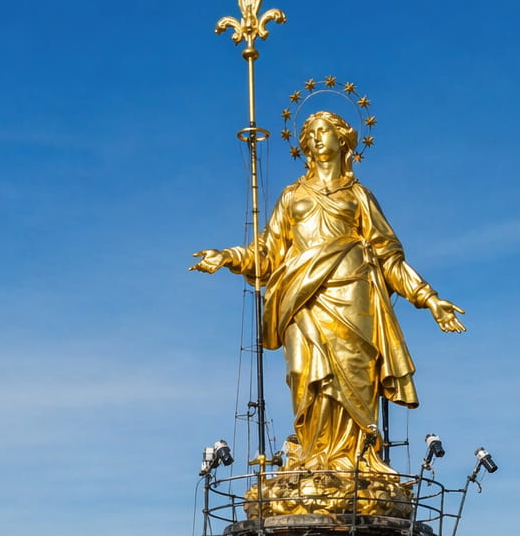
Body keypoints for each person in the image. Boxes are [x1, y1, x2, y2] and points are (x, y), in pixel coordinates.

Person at [192, 111, 463, 474]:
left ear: (343, 139)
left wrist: (429, 299)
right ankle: (311, 455)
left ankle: (355, 460)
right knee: (304, 373)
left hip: (354, 300)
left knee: (355, 375)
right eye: (311, 134)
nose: (317, 138)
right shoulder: (292, 197)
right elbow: (268, 252)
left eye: (325, 131)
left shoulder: (359, 196)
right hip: (301, 301)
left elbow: (388, 257)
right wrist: (228, 256)